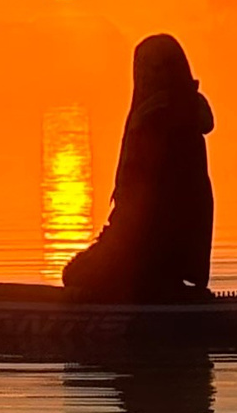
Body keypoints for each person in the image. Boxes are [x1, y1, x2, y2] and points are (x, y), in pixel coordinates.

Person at [62, 34, 215, 301]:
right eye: (143, 69)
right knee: (80, 271)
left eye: (155, 68)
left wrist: (114, 250)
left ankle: (145, 286)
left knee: (75, 274)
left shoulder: (156, 118)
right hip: (163, 251)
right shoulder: (178, 113)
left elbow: (141, 204)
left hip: (147, 249)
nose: (146, 77)